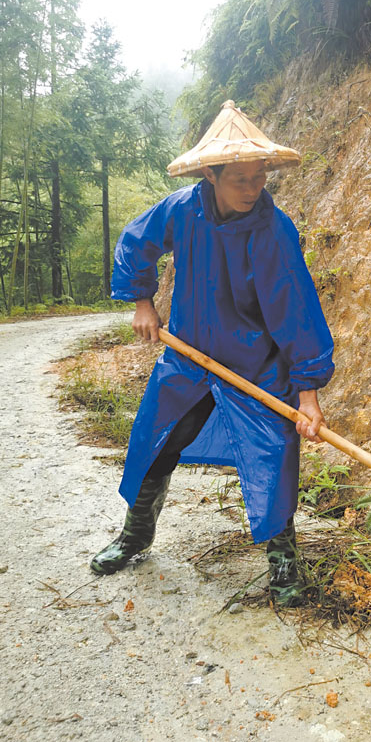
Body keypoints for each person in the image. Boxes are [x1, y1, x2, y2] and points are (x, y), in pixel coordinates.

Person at [89, 100, 334, 606]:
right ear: (211, 174)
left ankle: (283, 557)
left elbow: (297, 314)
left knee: (275, 451)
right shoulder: (182, 209)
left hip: (257, 366)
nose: (252, 188)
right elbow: (136, 242)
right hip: (189, 358)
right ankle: (136, 535)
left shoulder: (274, 231)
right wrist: (143, 302)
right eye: (240, 179)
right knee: (155, 441)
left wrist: (306, 394)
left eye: (260, 176)